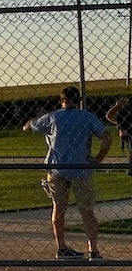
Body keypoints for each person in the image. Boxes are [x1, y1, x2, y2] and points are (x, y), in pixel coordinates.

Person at [22, 86, 111, 260]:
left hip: (57, 169)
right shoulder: (87, 117)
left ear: (61, 100)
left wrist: (35, 119)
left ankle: (61, 247)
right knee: (87, 211)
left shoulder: (53, 117)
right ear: (78, 100)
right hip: (81, 168)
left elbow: (28, 128)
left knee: (58, 208)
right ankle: (93, 249)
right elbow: (106, 136)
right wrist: (98, 158)